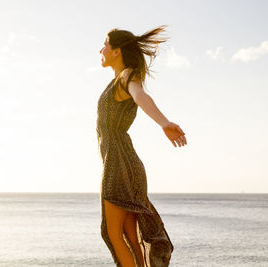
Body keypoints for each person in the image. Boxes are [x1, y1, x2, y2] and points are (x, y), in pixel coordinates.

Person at [96, 25, 187, 267]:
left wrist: (164, 122)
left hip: (118, 163)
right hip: (126, 162)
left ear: (116, 51)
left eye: (105, 45)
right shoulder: (120, 79)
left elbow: (141, 97)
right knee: (130, 236)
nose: (100, 50)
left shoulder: (127, 77)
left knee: (112, 233)